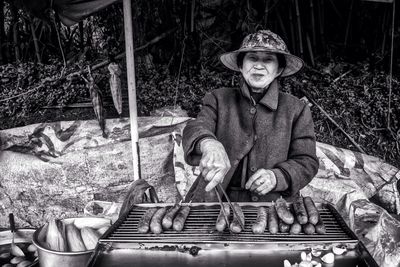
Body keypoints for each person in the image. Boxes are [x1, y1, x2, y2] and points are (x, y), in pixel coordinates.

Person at [182, 29, 319, 202]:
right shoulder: (218, 98)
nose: (259, 65)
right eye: (252, 58)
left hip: (273, 204)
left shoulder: (296, 109)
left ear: (279, 69)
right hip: (215, 198)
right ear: (241, 65)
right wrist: (209, 144)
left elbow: (307, 161)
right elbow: (196, 126)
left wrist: (277, 177)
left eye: (268, 59)